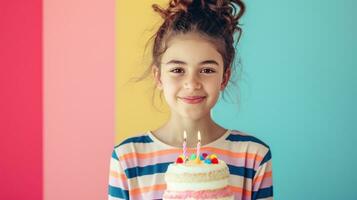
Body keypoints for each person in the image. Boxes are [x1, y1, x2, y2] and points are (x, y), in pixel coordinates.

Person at [108, 0, 273, 199]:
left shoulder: (252, 156)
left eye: (207, 70)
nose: (192, 83)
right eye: (178, 70)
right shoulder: (128, 157)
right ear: (159, 77)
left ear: (224, 77)